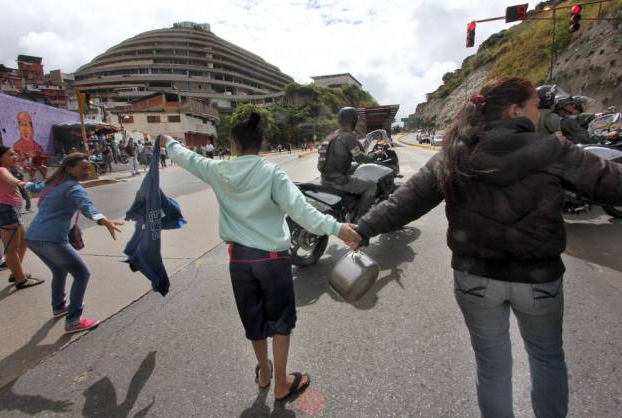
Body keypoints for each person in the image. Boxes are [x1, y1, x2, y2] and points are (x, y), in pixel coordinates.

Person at [354, 77, 622, 418]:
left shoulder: (455, 151)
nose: (538, 114)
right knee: (547, 358)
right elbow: (611, 183)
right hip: (539, 280)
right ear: (514, 110)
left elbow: (407, 200)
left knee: (492, 368)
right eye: (533, 106)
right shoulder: (551, 148)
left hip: (474, 278)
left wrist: (362, 229)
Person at [160, 112, 361, 402]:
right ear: (261, 142)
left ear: (234, 144)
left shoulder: (218, 170)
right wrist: (337, 228)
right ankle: (281, 383)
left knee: (253, 320)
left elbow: (185, 156)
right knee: (281, 322)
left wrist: (165, 141)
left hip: (239, 261)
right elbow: (302, 211)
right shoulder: (271, 172)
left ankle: (264, 373)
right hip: (272, 260)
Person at [26, 153, 123, 333]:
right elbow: (86, 206)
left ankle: (59, 307)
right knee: (81, 274)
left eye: (88, 167)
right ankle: (73, 320)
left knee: (59, 270)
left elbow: (34, 186)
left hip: (32, 237)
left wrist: (20, 184)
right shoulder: (73, 187)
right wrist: (103, 220)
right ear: (70, 168)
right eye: (83, 168)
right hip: (51, 239)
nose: (87, 171)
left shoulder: (54, 184)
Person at [0, 146, 43, 289]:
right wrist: (25, 184)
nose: (15, 157)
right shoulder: (1, 170)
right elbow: (11, 181)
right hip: (6, 211)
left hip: (11, 211)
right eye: (10, 154)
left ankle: (16, 272)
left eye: (14, 154)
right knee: (12, 248)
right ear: (0, 157)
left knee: (24, 241)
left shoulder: (4, 169)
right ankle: (20, 279)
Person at [318, 107, 378, 221]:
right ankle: (360, 218)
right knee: (372, 185)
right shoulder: (347, 136)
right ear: (353, 121)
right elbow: (360, 158)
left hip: (325, 178)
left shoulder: (330, 136)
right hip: (338, 181)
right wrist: (374, 156)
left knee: (355, 169)